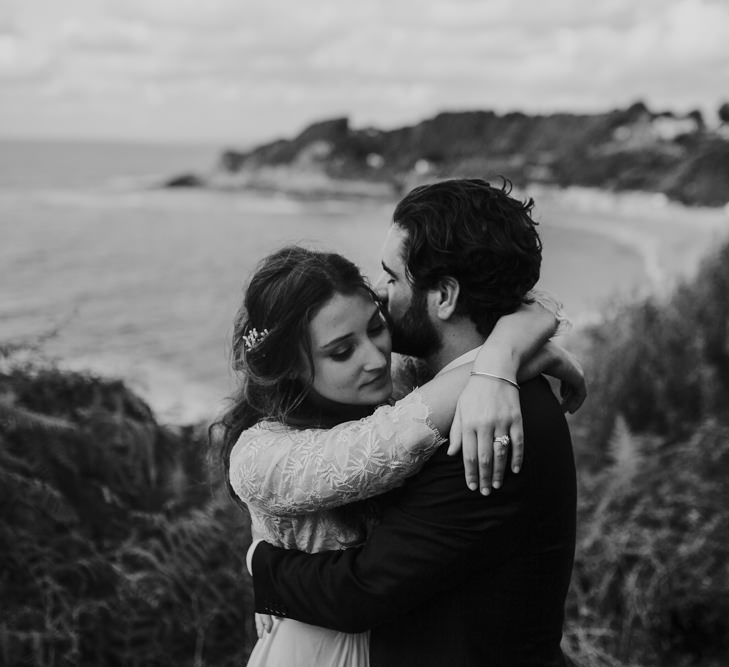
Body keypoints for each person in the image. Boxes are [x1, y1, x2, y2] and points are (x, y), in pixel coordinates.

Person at [246, 179, 580, 666]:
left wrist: (262, 564)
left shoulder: (489, 425)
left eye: (393, 276)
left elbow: (363, 588)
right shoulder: (460, 384)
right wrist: (504, 353)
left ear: (444, 296)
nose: (381, 294)